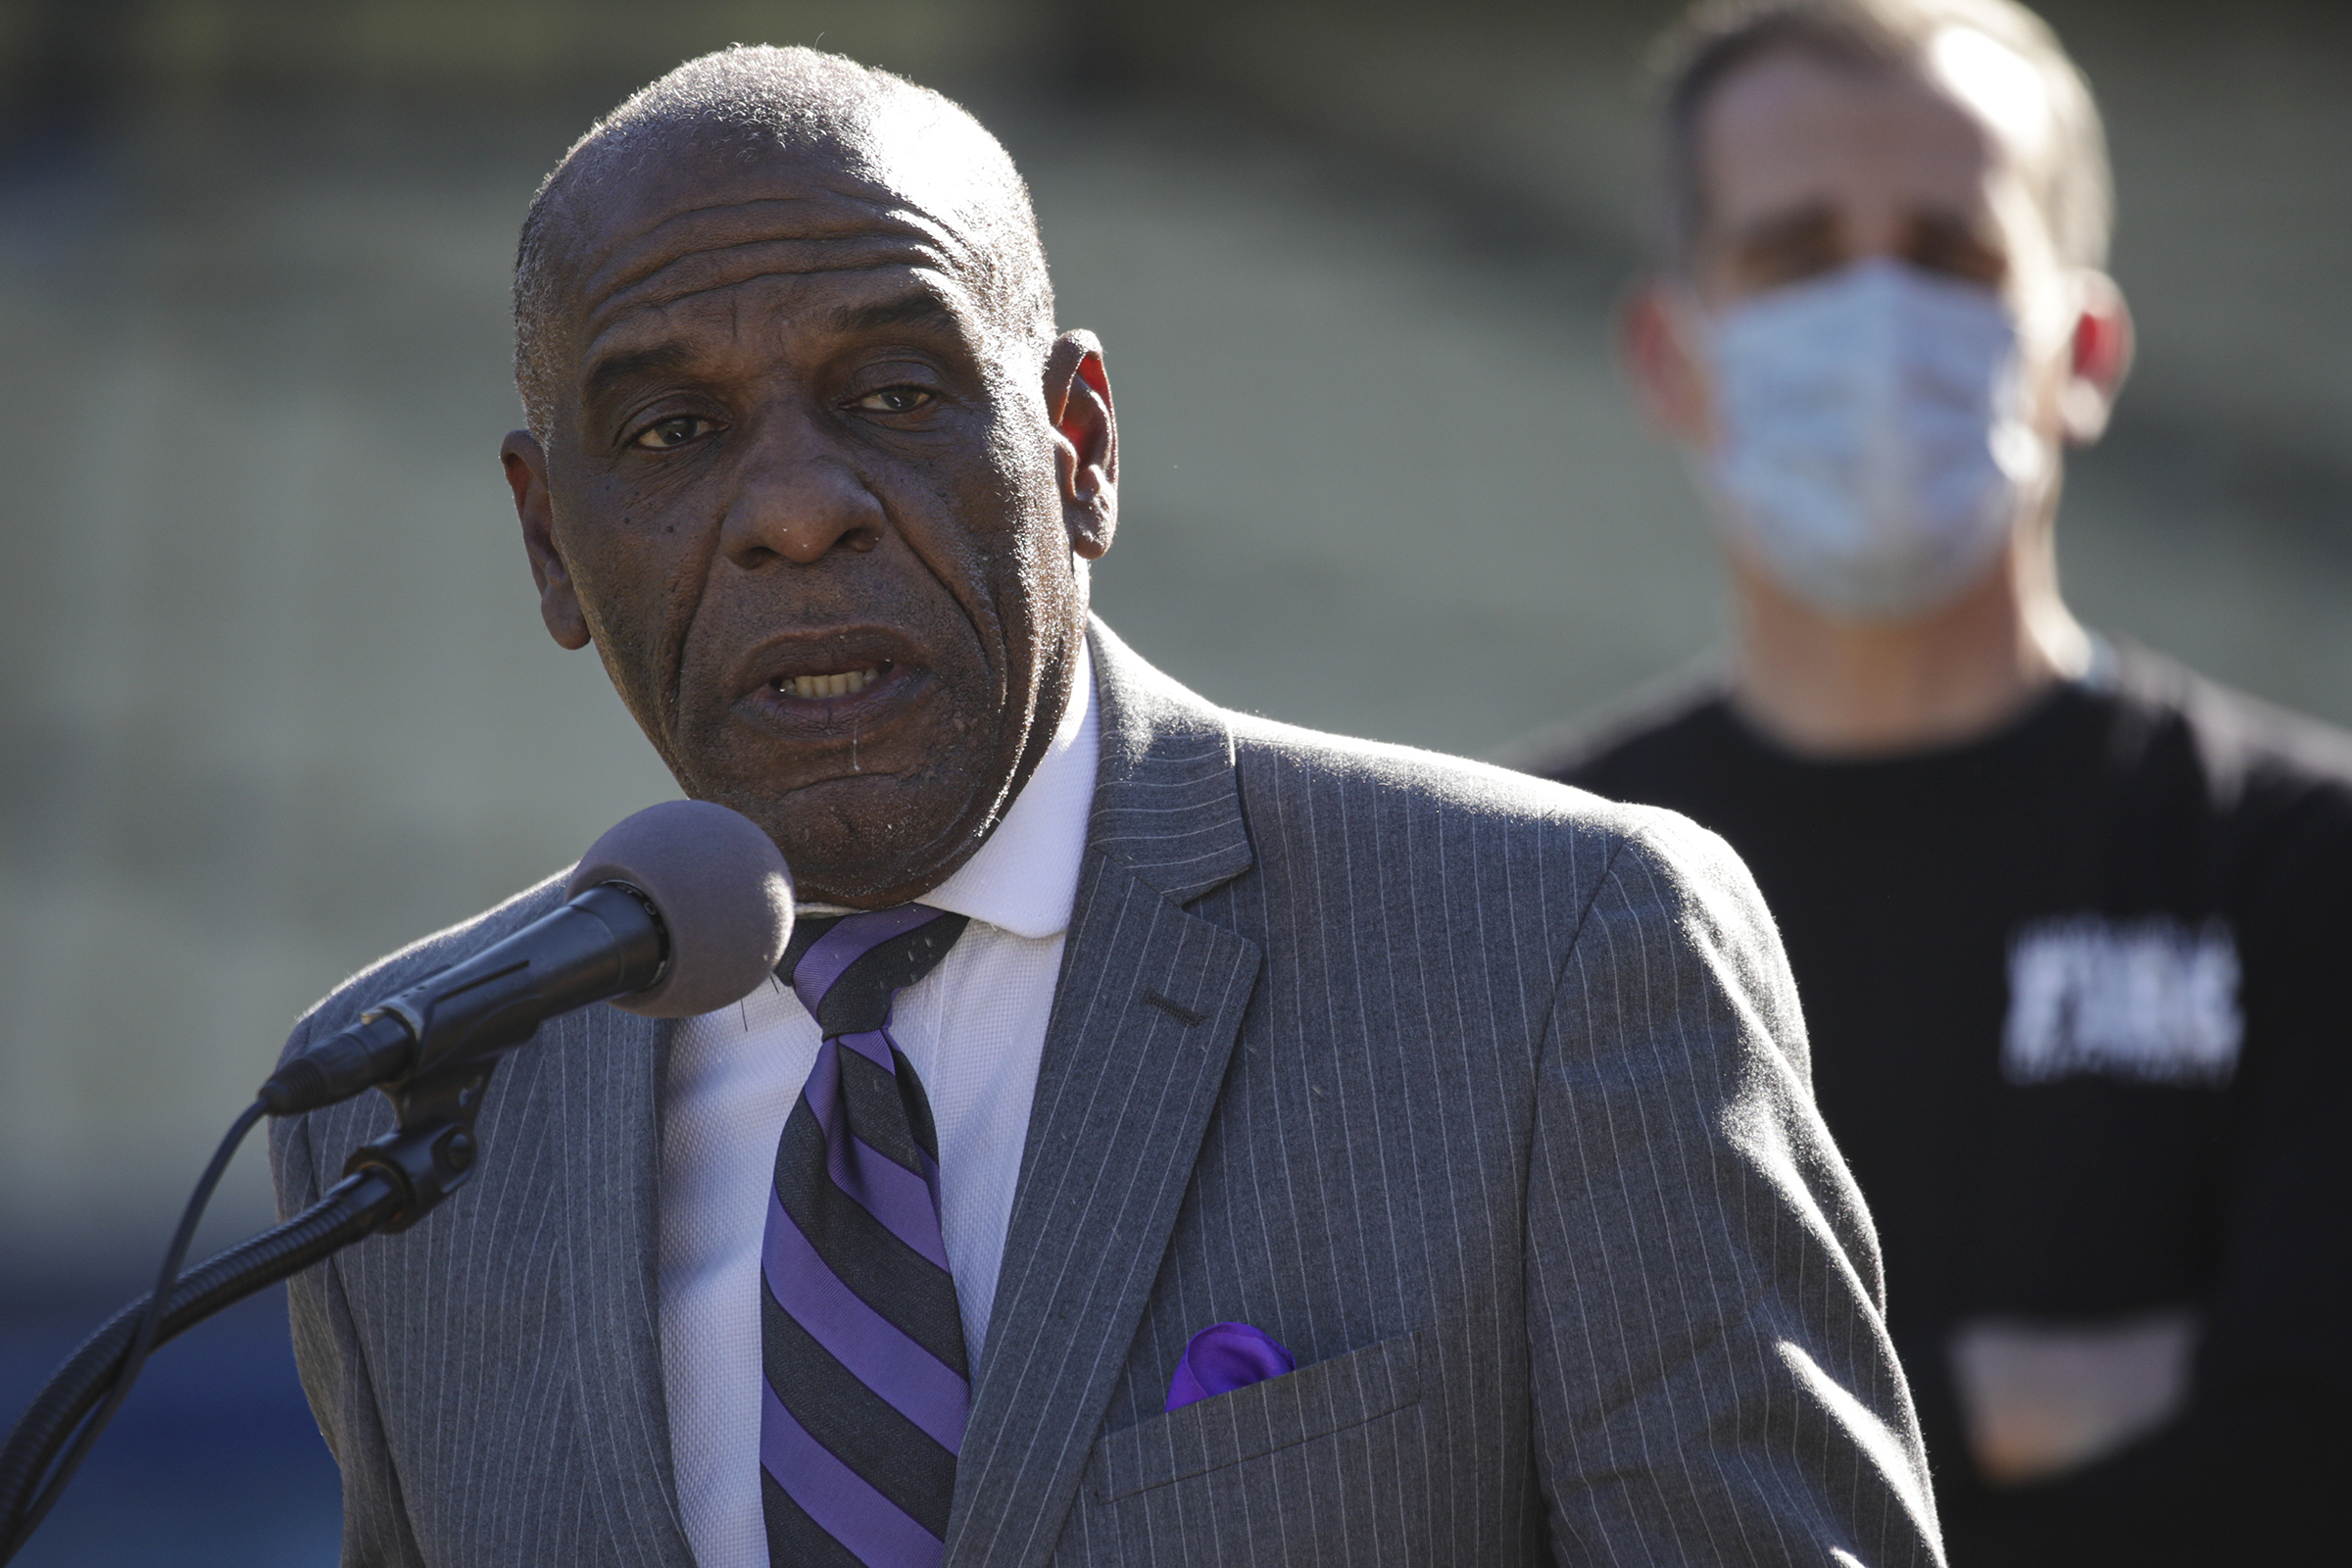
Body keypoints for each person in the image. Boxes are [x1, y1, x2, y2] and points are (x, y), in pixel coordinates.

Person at [268, 44, 1939, 1568]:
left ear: (1077, 447)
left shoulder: (1555, 955)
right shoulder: (404, 1110)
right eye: (669, 429)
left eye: (897, 395)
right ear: (551, 538)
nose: (792, 507)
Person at [1505, 1, 2352, 1562]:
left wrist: (1746, 1427)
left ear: (2082, 350)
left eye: (1953, 255)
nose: (1877, 312)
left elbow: (2310, 1474)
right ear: (1668, 356)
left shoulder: (2305, 863)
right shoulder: (1513, 893)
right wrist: (2039, 1396)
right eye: (1800, 254)